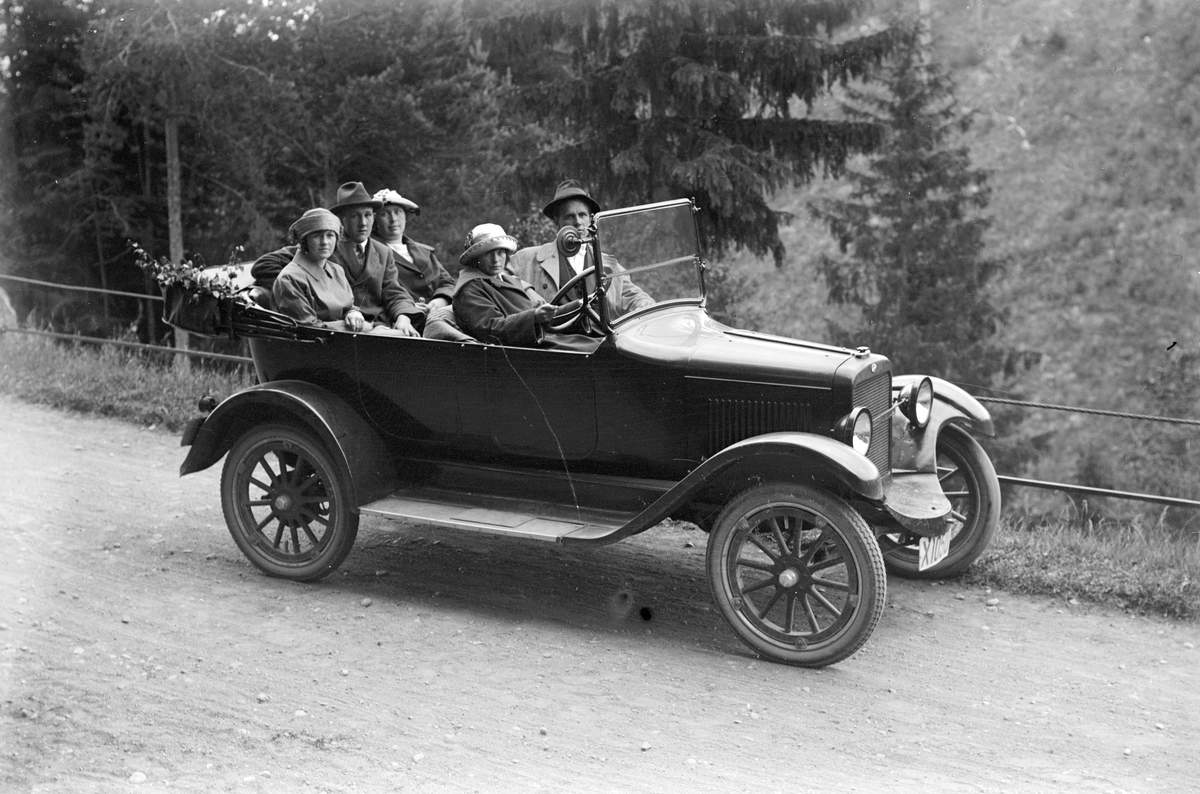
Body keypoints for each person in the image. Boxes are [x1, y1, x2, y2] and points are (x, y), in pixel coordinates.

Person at [252, 182, 423, 337]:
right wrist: (315, 290)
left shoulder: (383, 252)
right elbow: (266, 266)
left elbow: (394, 292)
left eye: (368, 215)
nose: (363, 223)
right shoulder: (322, 248)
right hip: (337, 329)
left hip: (377, 325)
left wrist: (403, 317)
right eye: (355, 216)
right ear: (342, 220)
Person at [509, 179, 654, 318]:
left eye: (582, 215)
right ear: (556, 222)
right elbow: (498, 277)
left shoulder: (609, 265)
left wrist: (647, 306)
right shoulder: (529, 258)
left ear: (591, 219)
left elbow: (633, 296)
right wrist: (527, 289)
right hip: (555, 339)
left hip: (601, 339)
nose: (577, 222)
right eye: (569, 216)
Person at [453, 223, 599, 352]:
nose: (496, 260)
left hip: (543, 340)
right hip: (525, 351)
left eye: (500, 252)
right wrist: (533, 317)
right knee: (599, 351)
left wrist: (580, 304)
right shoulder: (469, 289)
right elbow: (491, 330)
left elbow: (548, 317)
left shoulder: (508, 280)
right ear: (476, 258)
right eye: (488, 254)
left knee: (604, 344)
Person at [370, 188, 472, 342]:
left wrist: (440, 300)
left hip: (436, 313)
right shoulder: (372, 252)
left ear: (406, 216)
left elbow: (448, 282)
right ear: (375, 221)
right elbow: (377, 293)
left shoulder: (424, 251)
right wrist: (407, 309)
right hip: (402, 321)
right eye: (384, 214)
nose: (393, 219)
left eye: (398, 212)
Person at [271, 209, 368, 332]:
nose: (324, 242)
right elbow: (308, 329)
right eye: (316, 236)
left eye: (330, 235)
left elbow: (348, 306)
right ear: (304, 240)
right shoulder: (289, 278)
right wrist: (357, 327)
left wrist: (353, 313)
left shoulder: (337, 270)